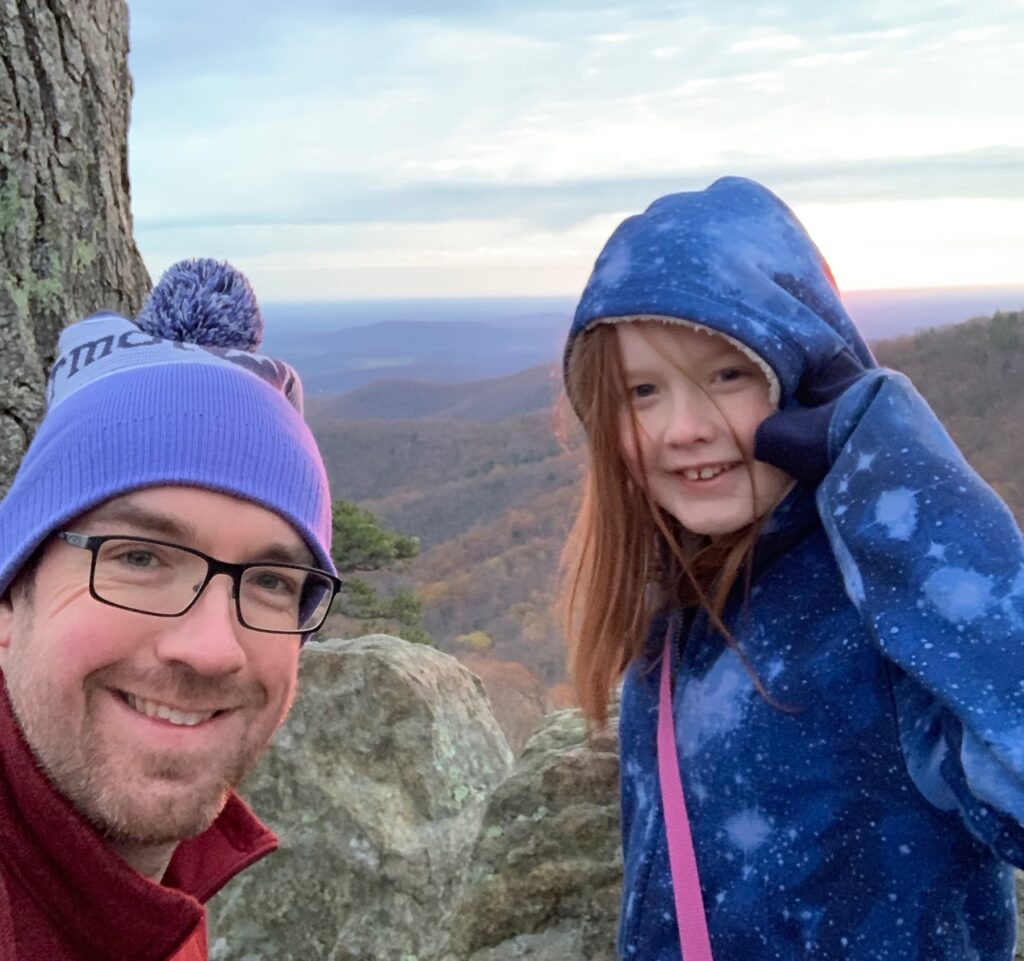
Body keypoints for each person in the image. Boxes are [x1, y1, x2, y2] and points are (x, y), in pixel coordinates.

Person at [560, 177, 1024, 960]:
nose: (684, 428)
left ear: (811, 378)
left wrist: (894, 465)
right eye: (643, 391)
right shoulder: (675, 618)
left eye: (728, 375)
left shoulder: (884, 620)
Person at [0, 260, 340, 961]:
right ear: (11, 596)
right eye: (140, 557)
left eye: (271, 579)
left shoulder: (146, 886)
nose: (212, 647)